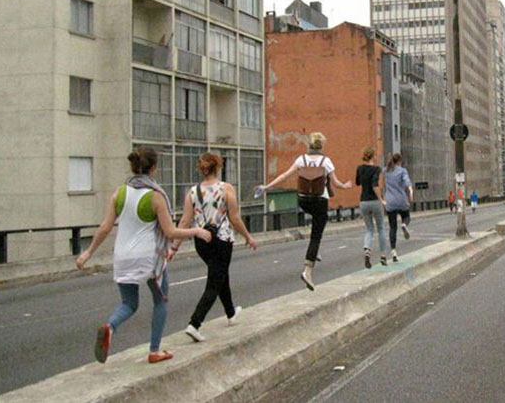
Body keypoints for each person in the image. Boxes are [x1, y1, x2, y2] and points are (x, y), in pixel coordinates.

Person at [75, 147, 212, 364]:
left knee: (129, 303)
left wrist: (88, 253)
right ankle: (155, 350)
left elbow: (104, 227)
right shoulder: (156, 197)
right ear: (154, 168)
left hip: (122, 257)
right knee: (161, 301)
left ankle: (110, 326)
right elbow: (170, 232)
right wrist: (197, 231)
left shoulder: (119, 192)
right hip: (150, 258)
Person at [176, 153, 258, 343]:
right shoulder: (226, 189)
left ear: (202, 168)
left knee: (220, 274)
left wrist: (175, 246)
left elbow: (185, 221)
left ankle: (230, 313)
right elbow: (235, 218)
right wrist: (248, 236)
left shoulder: (192, 192)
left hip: (202, 242)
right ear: (218, 167)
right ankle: (194, 323)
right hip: (222, 240)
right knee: (215, 281)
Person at [258, 132, 352, 291]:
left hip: (303, 201)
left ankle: (315, 252)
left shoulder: (301, 160)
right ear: (322, 145)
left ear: (309, 144)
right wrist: (345, 186)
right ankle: (307, 271)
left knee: (315, 228)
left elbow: (285, 175)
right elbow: (335, 183)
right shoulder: (325, 161)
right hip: (320, 201)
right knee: (316, 235)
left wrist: (266, 187)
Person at [356, 147, 388, 268]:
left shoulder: (359, 168)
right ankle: (383, 256)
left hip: (363, 202)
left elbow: (358, 182)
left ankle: (367, 249)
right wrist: (381, 200)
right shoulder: (376, 169)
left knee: (369, 229)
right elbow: (375, 185)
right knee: (380, 228)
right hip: (374, 201)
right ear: (373, 156)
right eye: (375, 155)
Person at [384, 153, 413, 262]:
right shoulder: (402, 171)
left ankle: (393, 251)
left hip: (390, 201)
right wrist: (410, 190)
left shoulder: (386, 171)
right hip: (401, 200)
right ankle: (404, 225)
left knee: (392, 227)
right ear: (399, 161)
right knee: (407, 216)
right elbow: (407, 182)